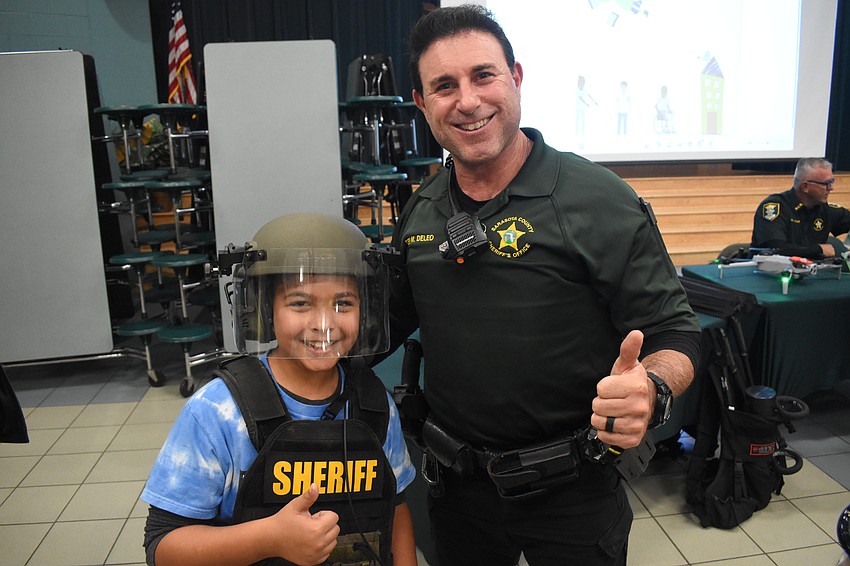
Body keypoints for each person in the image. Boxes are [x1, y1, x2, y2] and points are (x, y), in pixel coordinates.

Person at [387, 5, 701, 565]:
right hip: (457, 491)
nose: (467, 100)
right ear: (422, 105)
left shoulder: (599, 200)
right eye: (443, 86)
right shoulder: (421, 211)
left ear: (517, 78)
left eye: (484, 75)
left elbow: (675, 331)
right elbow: (389, 321)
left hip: (575, 493)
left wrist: (652, 388)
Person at [141, 212, 417, 566]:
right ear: (262, 311)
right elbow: (163, 547)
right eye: (300, 303)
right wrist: (269, 539)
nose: (324, 324)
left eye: (343, 303)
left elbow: (395, 505)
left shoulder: (375, 403)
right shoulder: (217, 412)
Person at [751, 157, 850, 259]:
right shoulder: (775, 207)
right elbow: (775, 249)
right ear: (805, 187)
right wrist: (818, 250)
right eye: (826, 184)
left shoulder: (824, 209)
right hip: (769, 272)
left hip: (812, 272)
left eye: (832, 181)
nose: (831, 188)